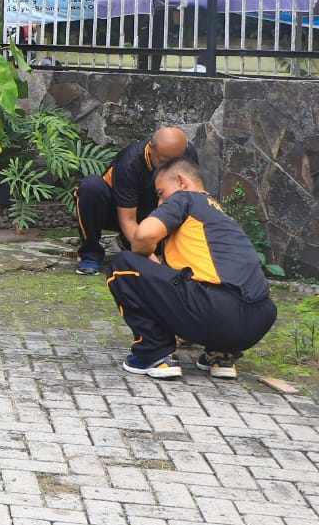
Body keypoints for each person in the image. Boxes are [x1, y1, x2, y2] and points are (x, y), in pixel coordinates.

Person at [106, 157, 277, 380]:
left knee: (123, 265)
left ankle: (155, 353)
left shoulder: (185, 198)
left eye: (160, 193)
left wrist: (146, 256)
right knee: (201, 286)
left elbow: (143, 236)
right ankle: (221, 353)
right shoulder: (219, 215)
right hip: (259, 320)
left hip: (216, 311)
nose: (159, 203)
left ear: (180, 181)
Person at [74, 126, 198, 274]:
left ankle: (128, 242)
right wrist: (154, 264)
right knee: (91, 187)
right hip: (119, 212)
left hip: (155, 212)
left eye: (176, 162)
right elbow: (127, 220)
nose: (169, 168)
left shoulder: (188, 152)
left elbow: (193, 196)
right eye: (163, 161)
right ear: (150, 148)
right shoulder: (128, 163)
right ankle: (90, 254)